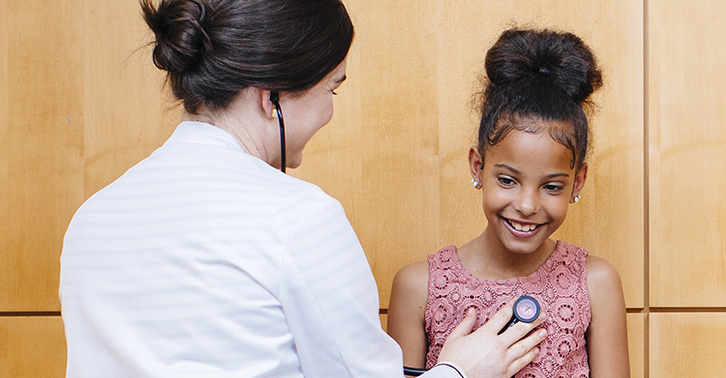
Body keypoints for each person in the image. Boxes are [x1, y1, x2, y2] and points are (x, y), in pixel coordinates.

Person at [58, 1, 545, 377]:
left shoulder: (92, 218)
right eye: (331, 89)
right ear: (272, 98)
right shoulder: (299, 218)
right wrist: (463, 368)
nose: (331, 111)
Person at [387, 28, 630, 378]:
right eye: (507, 180)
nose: (528, 205)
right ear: (477, 166)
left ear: (577, 182)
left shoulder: (596, 283)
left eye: (552, 186)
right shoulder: (418, 286)